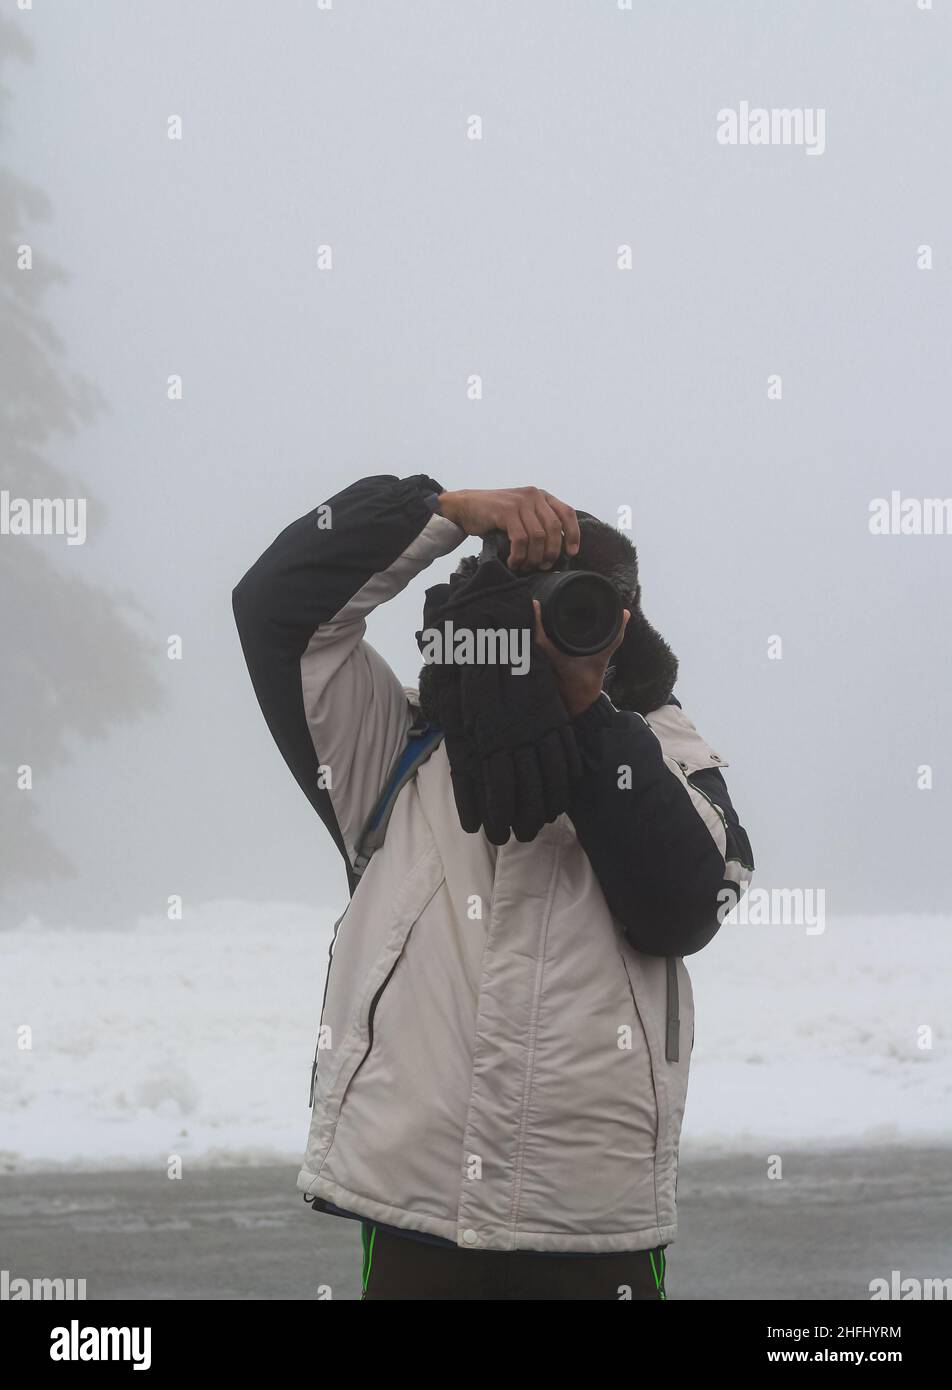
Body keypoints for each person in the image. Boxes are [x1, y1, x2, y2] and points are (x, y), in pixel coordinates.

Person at [232, 474, 754, 1301]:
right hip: (415, 1205)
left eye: (588, 610)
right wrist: (438, 512)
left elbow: (684, 907)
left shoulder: (667, 751)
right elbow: (275, 608)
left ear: (626, 627)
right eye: (534, 607)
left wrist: (590, 722)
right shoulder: (391, 747)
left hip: (594, 1219)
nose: (557, 630)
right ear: (493, 614)